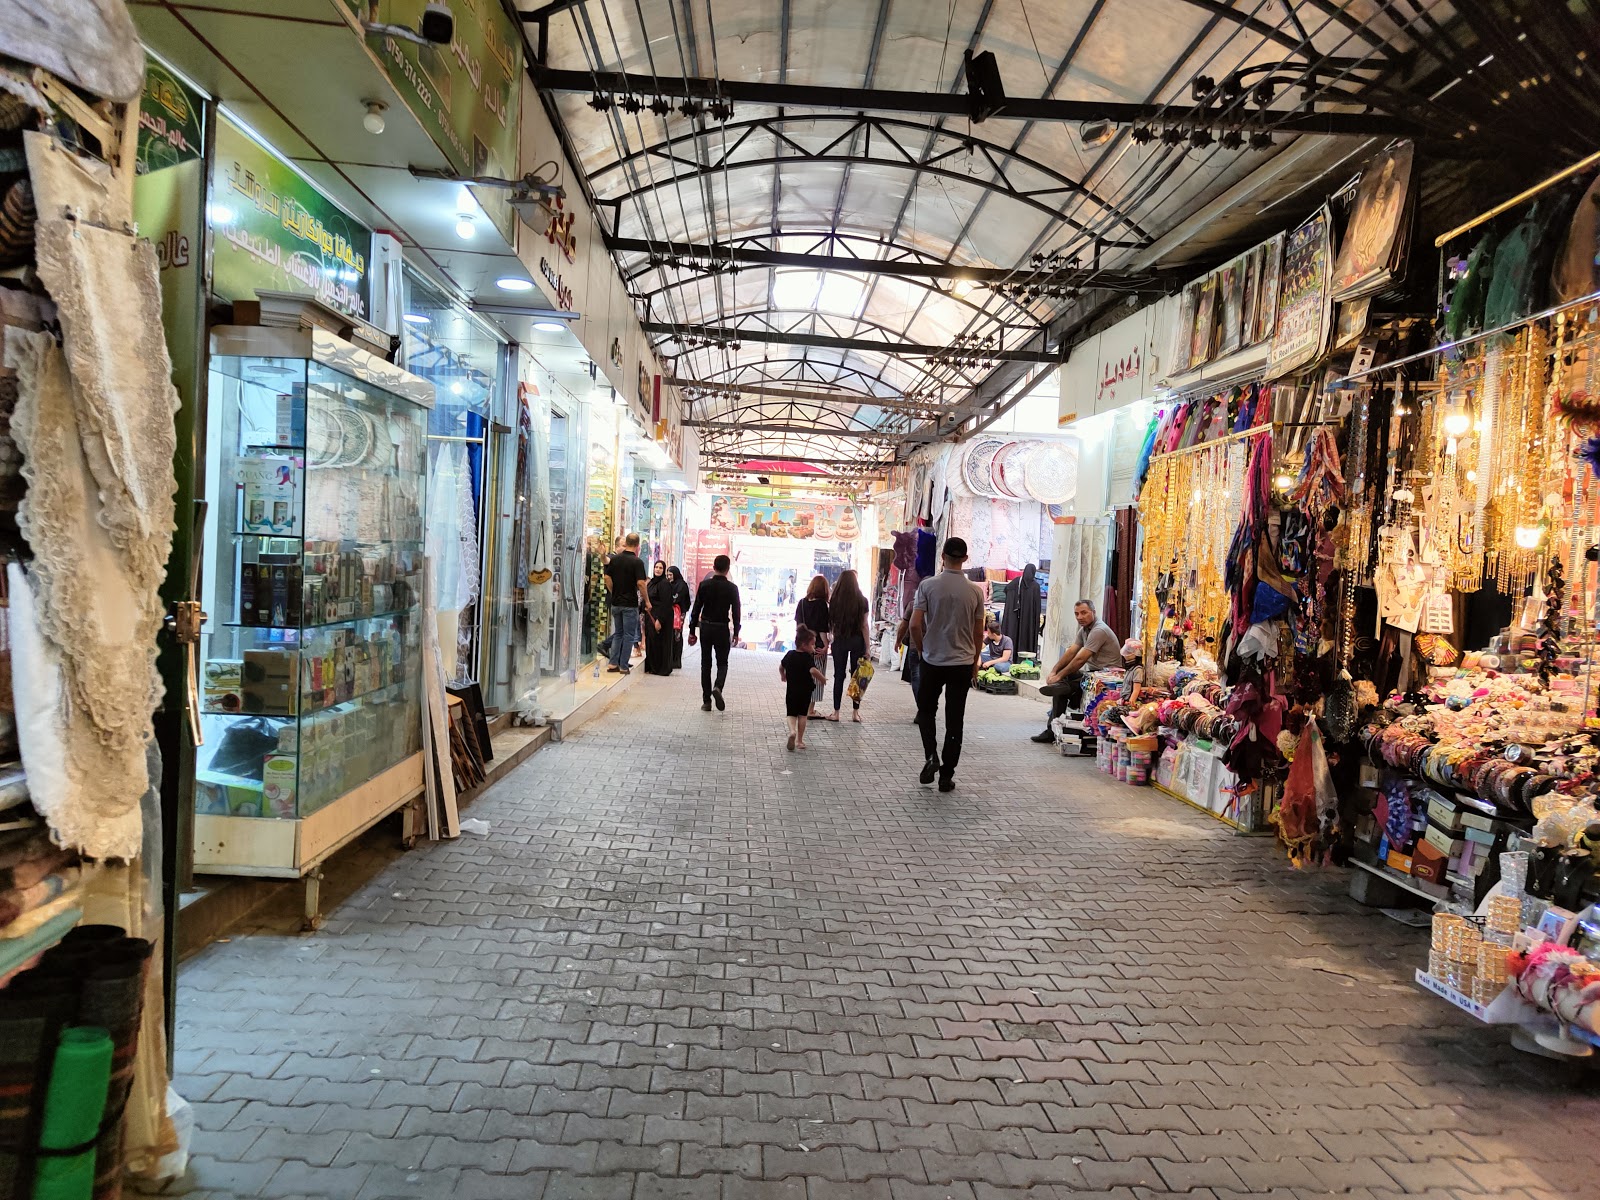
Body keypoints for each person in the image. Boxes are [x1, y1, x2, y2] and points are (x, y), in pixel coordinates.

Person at [911, 537, 985, 792]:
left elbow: (914, 624)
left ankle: (931, 755)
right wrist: (975, 661)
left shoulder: (928, 586)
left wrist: (923, 650)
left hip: (932, 659)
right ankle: (946, 776)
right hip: (962, 662)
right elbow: (979, 632)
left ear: (942, 556)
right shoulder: (975, 591)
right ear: (965, 559)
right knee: (955, 719)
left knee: (926, 712)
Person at [1031, 598, 1123, 743]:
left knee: (1063, 684)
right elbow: (1071, 652)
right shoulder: (1084, 630)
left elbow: (1081, 659)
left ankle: (1052, 726)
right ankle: (1061, 694)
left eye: (1084, 613)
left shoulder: (1099, 630)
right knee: (1062, 683)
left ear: (1093, 612)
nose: (1080, 617)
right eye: (1077, 614)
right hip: (1094, 673)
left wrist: (1060, 675)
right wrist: (1055, 671)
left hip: (1108, 675)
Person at [688, 553, 741, 711]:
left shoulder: (704, 585)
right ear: (727, 569)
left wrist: (692, 630)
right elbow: (736, 612)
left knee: (706, 664)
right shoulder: (732, 588)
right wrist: (736, 632)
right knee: (722, 662)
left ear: (713, 567)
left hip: (706, 627)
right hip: (721, 628)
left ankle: (706, 702)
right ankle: (718, 686)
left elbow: (696, 608)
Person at [826, 569, 871, 723]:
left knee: (839, 676)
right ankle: (855, 713)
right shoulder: (862, 600)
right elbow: (864, 625)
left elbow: (830, 623)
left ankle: (836, 712)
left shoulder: (834, 601)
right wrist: (868, 647)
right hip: (857, 640)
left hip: (839, 641)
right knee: (857, 677)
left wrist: (830, 638)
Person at [602, 533, 650, 675]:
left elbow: (607, 577)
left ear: (627, 542)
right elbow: (641, 583)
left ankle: (612, 663)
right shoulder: (637, 562)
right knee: (628, 635)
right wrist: (647, 601)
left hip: (616, 603)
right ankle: (623, 665)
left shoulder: (615, 560)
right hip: (630, 604)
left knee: (618, 633)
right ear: (637, 546)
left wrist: (613, 592)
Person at [780, 629, 826, 752]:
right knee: (802, 715)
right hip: (805, 692)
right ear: (804, 645)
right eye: (812, 644)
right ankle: (799, 741)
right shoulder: (807, 657)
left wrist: (782, 675)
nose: (814, 647)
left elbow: (781, 666)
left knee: (791, 713)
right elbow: (812, 670)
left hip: (791, 691)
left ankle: (792, 731)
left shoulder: (789, 654)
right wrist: (822, 679)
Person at [795, 575, 830, 718]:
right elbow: (822, 628)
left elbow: (798, 626)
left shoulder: (801, 603)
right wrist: (826, 644)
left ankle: (800, 706)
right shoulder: (822, 605)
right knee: (815, 676)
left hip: (802, 644)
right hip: (816, 646)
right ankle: (810, 710)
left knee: (802, 676)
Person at [641, 561, 677, 676]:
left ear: (664, 570)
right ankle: (653, 667)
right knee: (651, 642)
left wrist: (660, 620)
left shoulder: (664, 584)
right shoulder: (651, 583)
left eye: (660, 568)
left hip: (661, 617)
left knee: (660, 643)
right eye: (656, 567)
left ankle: (660, 668)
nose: (657, 569)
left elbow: (666, 603)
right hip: (651, 616)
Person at [1000, 563, 1043, 655]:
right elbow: (1037, 605)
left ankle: (1011, 655)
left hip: (1014, 616)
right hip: (1028, 618)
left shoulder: (1016, 582)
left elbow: (1006, 589)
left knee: (1013, 633)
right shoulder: (1035, 586)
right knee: (1026, 634)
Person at [667, 566, 691, 668]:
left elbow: (677, 598)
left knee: (676, 635)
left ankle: (676, 660)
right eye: (667, 575)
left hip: (678, 613)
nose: (668, 577)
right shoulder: (669, 584)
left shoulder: (681, 585)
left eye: (670, 575)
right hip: (669, 613)